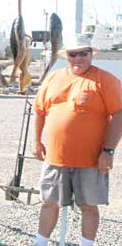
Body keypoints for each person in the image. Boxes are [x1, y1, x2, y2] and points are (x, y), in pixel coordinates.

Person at [30, 39, 122, 246]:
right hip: (55, 158)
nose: (78, 58)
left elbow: (119, 114)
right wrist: (36, 141)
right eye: (73, 54)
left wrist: (108, 151)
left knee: (89, 206)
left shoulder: (105, 80)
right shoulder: (52, 78)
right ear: (66, 56)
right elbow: (39, 110)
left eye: (83, 53)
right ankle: (40, 243)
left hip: (91, 160)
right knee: (49, 203)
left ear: (91, 54)